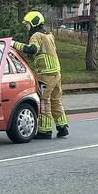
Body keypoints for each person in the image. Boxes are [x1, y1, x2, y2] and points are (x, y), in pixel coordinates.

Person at [13, 11, 67, 139]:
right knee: (56, 100)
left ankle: (45, 130)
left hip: (46, 74)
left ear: (33, 23)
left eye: (27, 24)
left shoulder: (36, 35)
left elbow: (33, 49)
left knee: (44, 101)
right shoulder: (49, 35)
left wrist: (14, 44)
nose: (26, 26)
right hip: (56, 72)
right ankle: (62, 126)